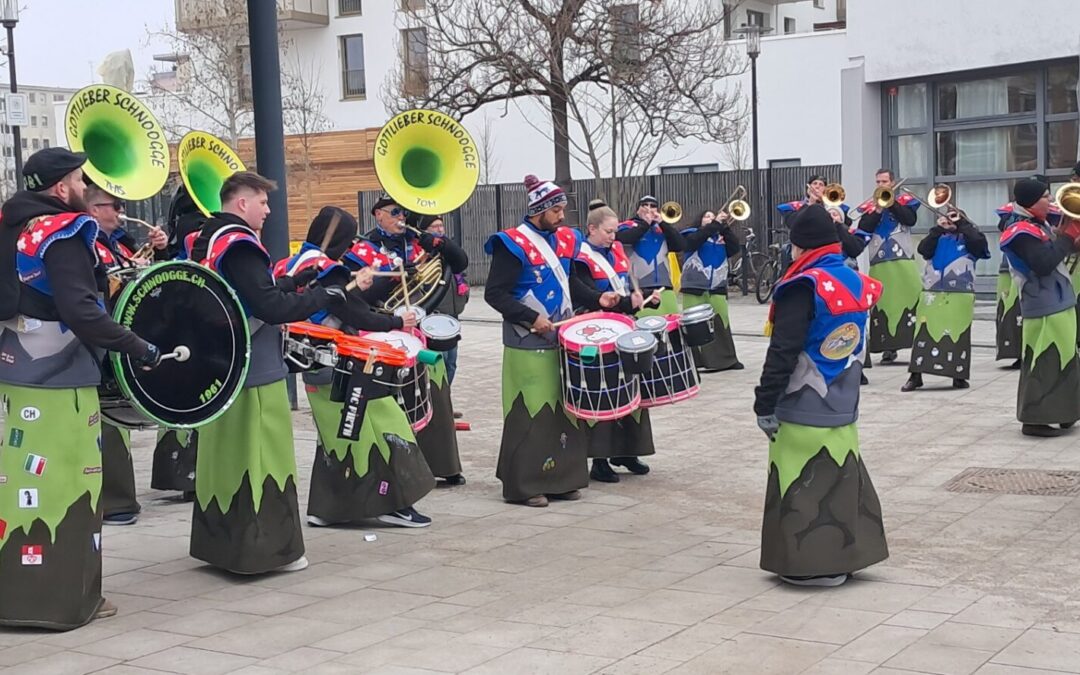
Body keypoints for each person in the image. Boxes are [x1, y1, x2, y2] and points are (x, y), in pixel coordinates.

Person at [0, 147, 162, 629]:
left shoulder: (11, 221)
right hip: (61, 378)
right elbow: (80, 309)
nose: (84, 185)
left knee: (22, 487)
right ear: (59, 187)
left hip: (16, 371)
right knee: (70, 485)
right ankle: (64, 600)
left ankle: (17, 593)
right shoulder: (62, 231)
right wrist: (139, 347)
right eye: (78, 178)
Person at [188, 172, 346, 574]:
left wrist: (290, 281)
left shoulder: (205, 239)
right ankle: (267, 551)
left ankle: (219, 546)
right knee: (263, 455)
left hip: (217, 365)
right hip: (253, 365)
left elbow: (245, 292)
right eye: (263, 202)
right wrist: (322, 295)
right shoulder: (241, 244)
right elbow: (269, 309)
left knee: (223, 456)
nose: (268, 210)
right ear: (242, 203)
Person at [275, 206, 436, 527]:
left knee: (336, 437)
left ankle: (330, 509)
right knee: (381, 426)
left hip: (307, 362)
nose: (349, 248)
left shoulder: (288, 265)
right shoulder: (326, 267)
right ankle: (391, 503)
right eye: (347, 241)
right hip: (341, 363)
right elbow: (354, 314)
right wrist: (395, 320)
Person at [754, 204, 888, 588]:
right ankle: (845, 558)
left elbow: (783, 348)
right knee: (843, 475)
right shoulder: (857, 281)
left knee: (800, 477)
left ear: (799, 246)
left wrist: (765, 401)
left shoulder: (802, 284)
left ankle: (808, 563)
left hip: (803, 397)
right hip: (844, 397)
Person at [484, 175, 587, 507]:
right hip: (525, 341)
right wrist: (531, 318)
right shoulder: (512, 243)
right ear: (538, 210)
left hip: (563, 339)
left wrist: (603, 299)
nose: (561, 216)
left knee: (563, 413)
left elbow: (574, 285)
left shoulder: (566, 240)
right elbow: (494, 294)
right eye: (556, 210)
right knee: (531, 414)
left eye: (563, 209)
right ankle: (524, 485)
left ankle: (561, 479)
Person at [353, 198, 468, 488]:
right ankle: (401, 466)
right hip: (388, 329)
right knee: (397, 401)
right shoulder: (365, 246)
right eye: (394, 212)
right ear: (378, 214)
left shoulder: (419, 240)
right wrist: (396, 274)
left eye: (403, 212)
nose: (400, 217)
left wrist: (438, 243)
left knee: (437, 396)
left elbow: (461, 261)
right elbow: (360, 294)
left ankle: (444, 465)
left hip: (423, 329)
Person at [84, 181, 168, 526]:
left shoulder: (119, 242)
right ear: (93, 209)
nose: (120, 212)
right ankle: (114, 502)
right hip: (98, 338)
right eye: (113, 206)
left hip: (121, 333)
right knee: (107, 420)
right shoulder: (86, 243)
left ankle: (118, 499)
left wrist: (159, 252)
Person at [571, 205, 655, 483]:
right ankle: (600, 459)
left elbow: (626, 287)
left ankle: (627, 451)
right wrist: (620, 302)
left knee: (631, 388)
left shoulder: (617, 249)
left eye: (615, 230)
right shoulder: (580, 256)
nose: (613, 236)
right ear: (592, 229)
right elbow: (585, 295)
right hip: (596, 330)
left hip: (622, 326)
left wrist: (643, 297)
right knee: (604, 392)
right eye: (608, 231)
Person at [999, 178, 1080, 437]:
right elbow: (1043, 263)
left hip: (1060, 301)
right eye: (1046, 196)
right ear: (1031, 202)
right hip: (1042, 306)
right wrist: (1067, 237)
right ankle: (1035, 419)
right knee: (1045, 360)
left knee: (1066, 357)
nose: (1051, 201)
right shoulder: (1019, 232)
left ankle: (1064, 412)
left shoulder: (1041, 224)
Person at [152, 184, 204, 500]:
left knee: (179, 396)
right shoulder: (199, 230)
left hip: (176, 321)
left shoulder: (180, 230)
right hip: (195, 323)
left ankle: (175, 474)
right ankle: (190, 477)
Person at [902, 210, 990, 392]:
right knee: (923, 334)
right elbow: (923, 250)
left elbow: (980, 247)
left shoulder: (969, 237)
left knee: (957, 336)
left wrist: (963, 224)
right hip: (932, 292)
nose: (949, 220)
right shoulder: (937, 237)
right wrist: (937, 229)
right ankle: (916, 375)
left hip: (960, 293)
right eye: (946, 217)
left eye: (954, 216)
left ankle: (958, 375)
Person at [859, 169, 921, 365]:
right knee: (884, 302)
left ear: (892, 182)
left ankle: (915, 342)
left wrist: (891, 203)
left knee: (911, 298)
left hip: (903, 259)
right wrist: (877, 210)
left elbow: (910, 219)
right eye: (878, 181)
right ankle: (887, 347)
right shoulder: (870, 206)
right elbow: (864, 228)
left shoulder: (904, 201)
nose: (880, 185)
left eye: (884, 181)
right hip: (879, 261)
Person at [680, 210, 744, 371]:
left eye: (712, 216)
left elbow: (734, 248)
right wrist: (713, 225)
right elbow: (691, 243)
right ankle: (696, 361)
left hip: (717, 286)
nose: (710, 219)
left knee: (721, 321)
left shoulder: (720, 237)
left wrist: (725, 228)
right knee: (695, 323)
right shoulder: (691, 233)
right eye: (707, 216)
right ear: (699, 220)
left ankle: (725, 359)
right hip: (695, 285)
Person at [419, 213, 470, 386]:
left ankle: (446, 401)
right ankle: (436, 403)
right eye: (435, 227)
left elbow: (461, 265)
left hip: (452, 316)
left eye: (441, 226)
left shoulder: (448, 251)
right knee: (437, 362)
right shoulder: (422, 255)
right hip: (433, 317)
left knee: (451, 363)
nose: (440, 230)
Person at [616, 195, 684, 315]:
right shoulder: (627, 225)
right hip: (639, 288)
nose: (649, 208)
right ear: (638, 209)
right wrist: (645, 224)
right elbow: (626, 239)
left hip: (664, 287)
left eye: (653, 206)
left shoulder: (662, 228)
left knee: (673, 327)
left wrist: (663, 223)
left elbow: (680, 245)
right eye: (645, 205)